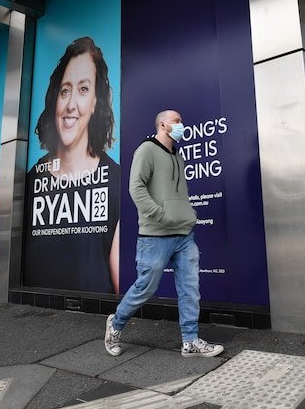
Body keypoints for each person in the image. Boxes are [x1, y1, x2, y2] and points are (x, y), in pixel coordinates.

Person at [105, 110, 223, 358]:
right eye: (177, 121)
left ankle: (190, 340)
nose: (182, 124)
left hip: (184, 235)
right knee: (145, 288)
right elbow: (135, 188)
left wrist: (187, 215)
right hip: (155, 236)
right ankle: (115, 324)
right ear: (163, 124)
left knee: (190, 289)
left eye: (181, 120)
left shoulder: (177, 156)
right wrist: (160, 215)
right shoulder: (146, 150)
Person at [24, 36, 121, 293]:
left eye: (83, 89)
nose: (70, 105)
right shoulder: (31, 182)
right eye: (65, 90)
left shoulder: (117, 182)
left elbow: (122, 285)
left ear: (96, 102)